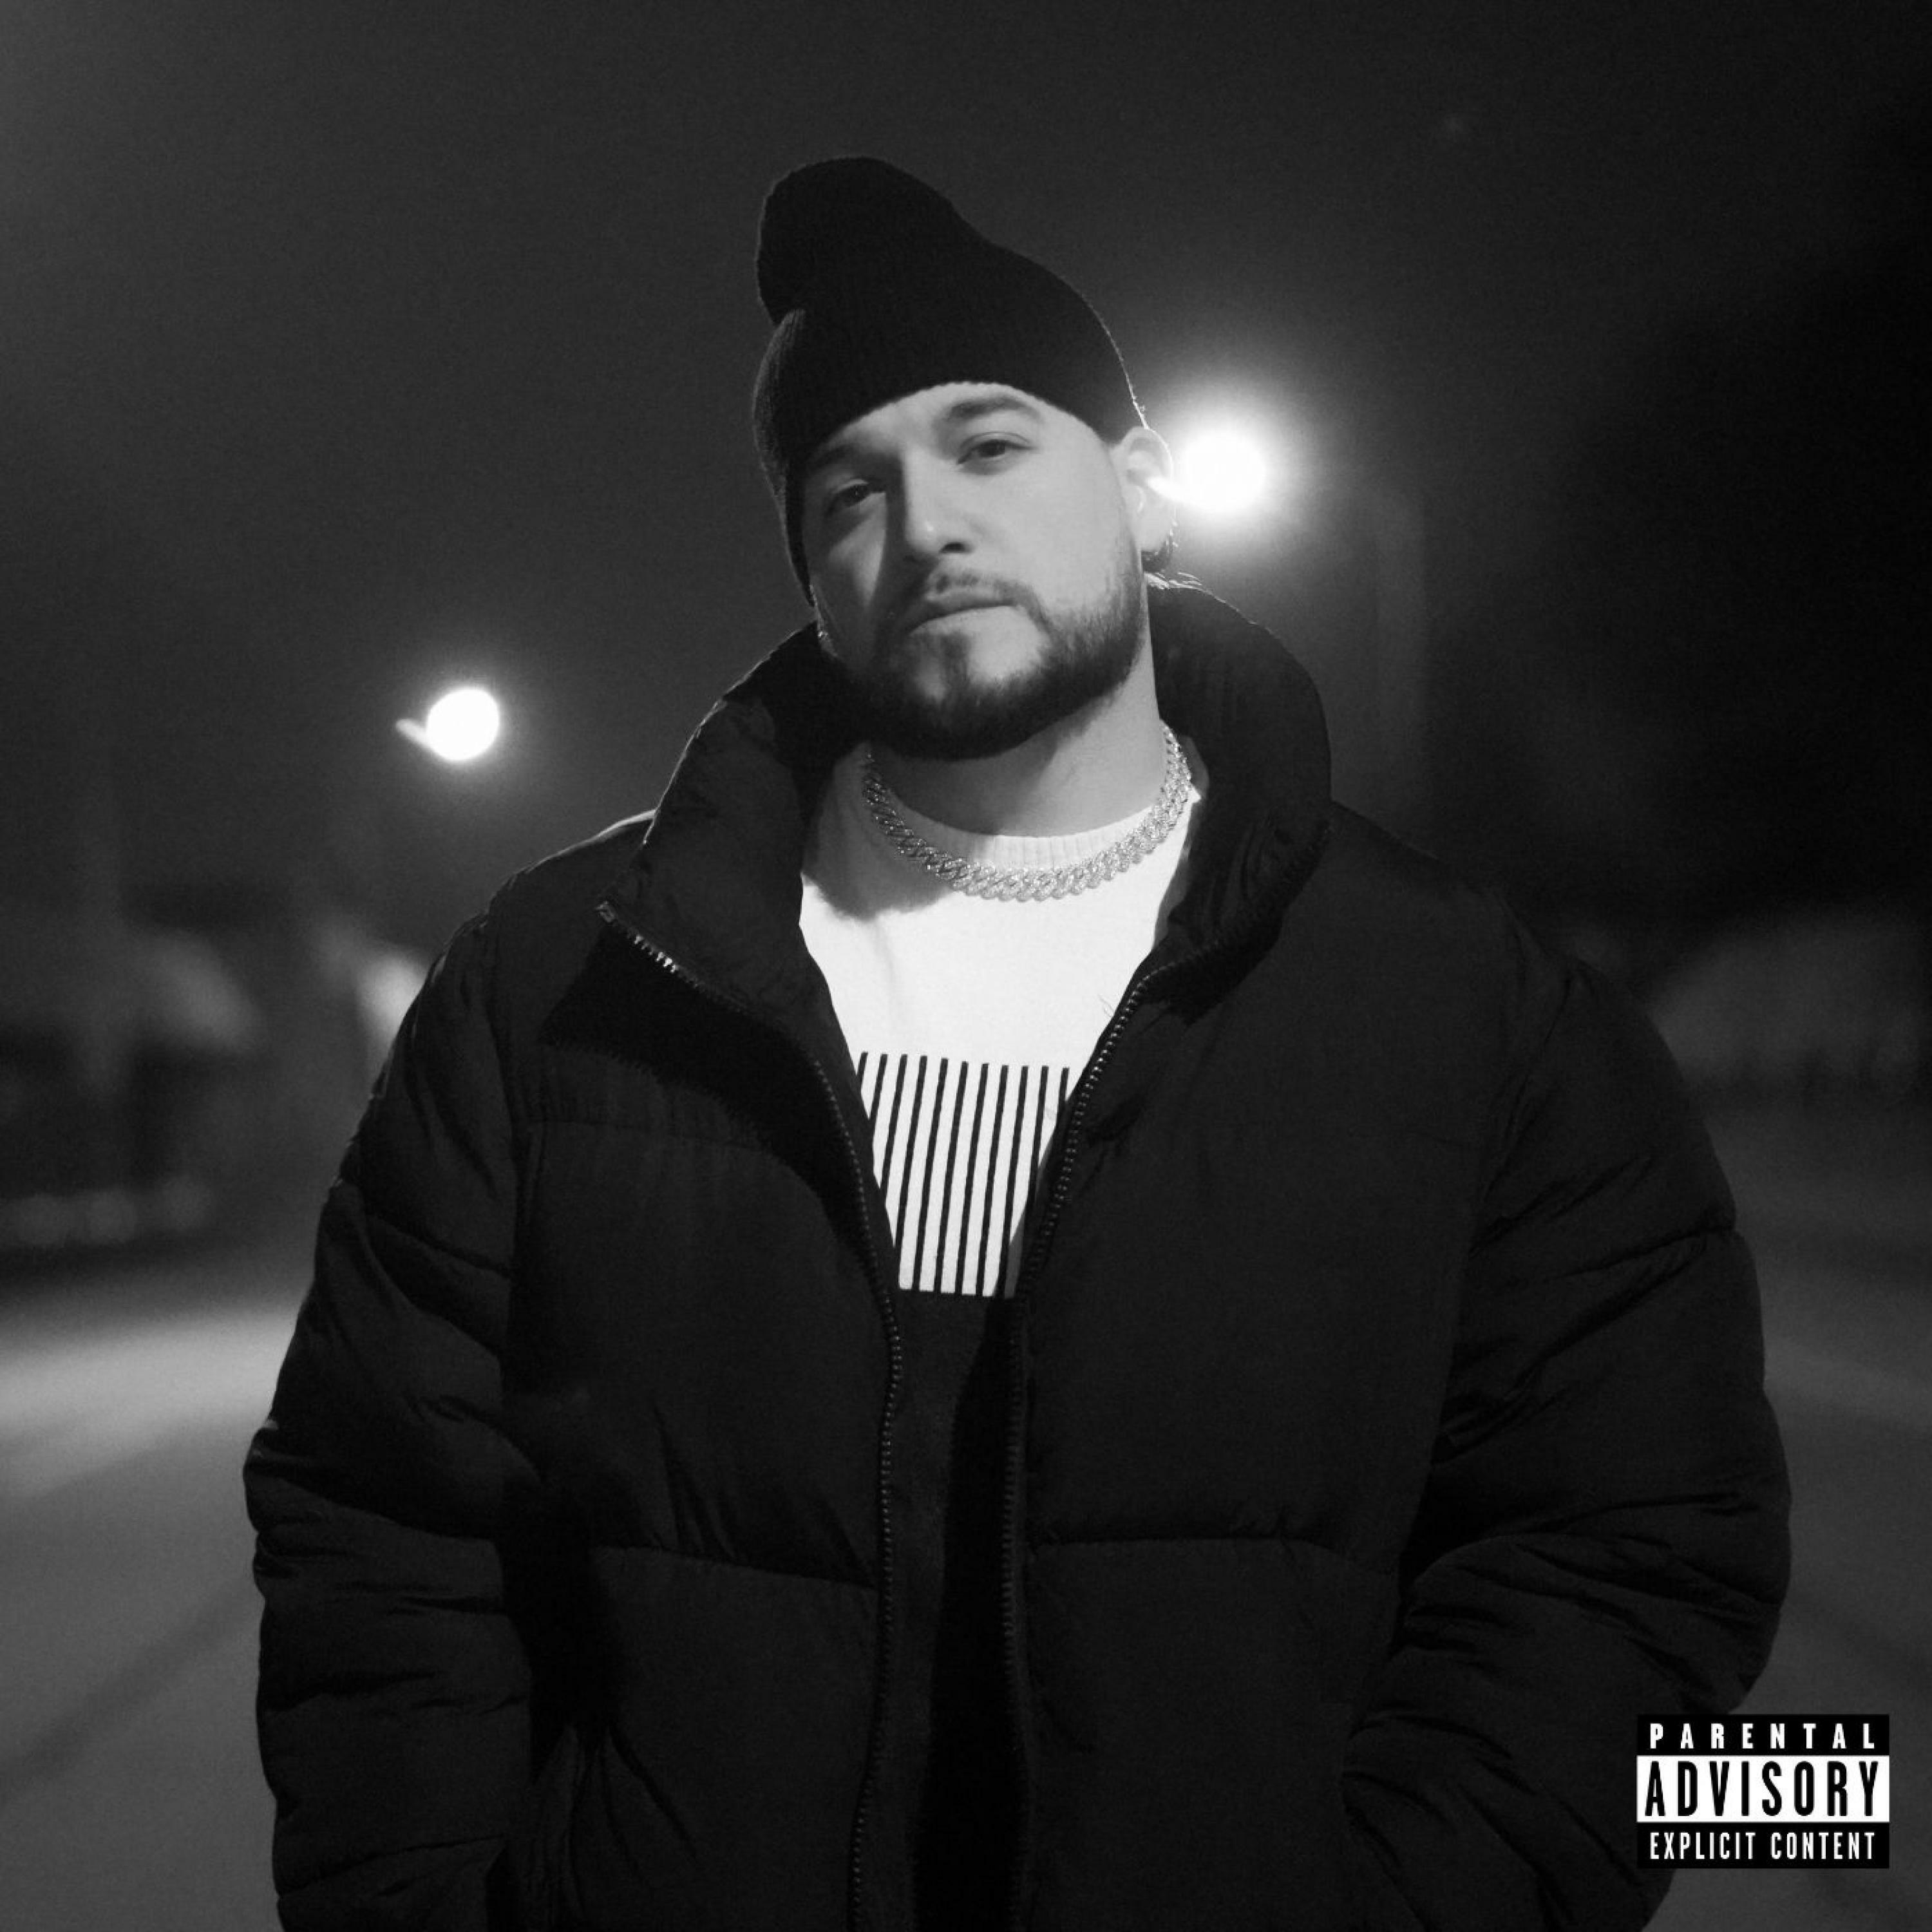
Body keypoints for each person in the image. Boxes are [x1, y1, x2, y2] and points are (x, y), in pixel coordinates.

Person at [247, 157, 1789, 1931]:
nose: (927, 528)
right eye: (851, 489)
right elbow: (382, 1520)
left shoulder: (1473, 1011)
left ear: (1142, 488)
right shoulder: (563, 982)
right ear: (812, 568)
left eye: (989, 445)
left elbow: (1630, 1549)